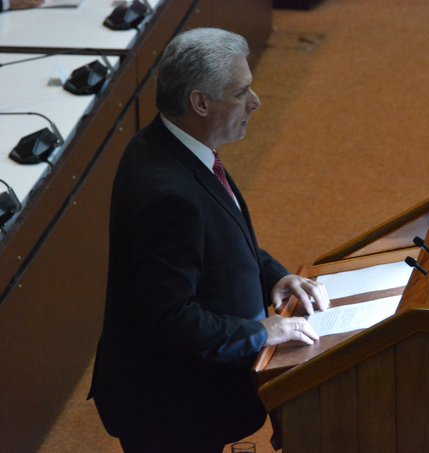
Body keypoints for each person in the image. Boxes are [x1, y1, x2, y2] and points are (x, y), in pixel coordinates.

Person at [88, 28, 329, 453]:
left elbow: (219, 239)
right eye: (241, 92)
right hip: (171, 407)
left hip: (185, 395)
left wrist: (273, 276)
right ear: (200, 102)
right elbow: (170, 319)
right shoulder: (167, 193)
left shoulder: (168, 146)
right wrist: (261, 332)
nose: (255, 102)